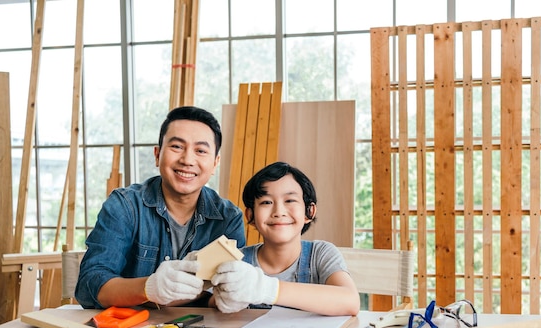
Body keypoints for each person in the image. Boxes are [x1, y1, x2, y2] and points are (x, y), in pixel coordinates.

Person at [75, 106, 246, 309]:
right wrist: (147, 288)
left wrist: (226, 299)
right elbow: (89, 286)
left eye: (200, 151)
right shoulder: (124, 206)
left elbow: (221, 291)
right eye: (177, 147)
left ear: (215, 163)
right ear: (157, 155)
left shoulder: (228, 218)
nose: (187, 160)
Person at [209, 161, 360, 316]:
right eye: (266, 202)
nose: (279, 212)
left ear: (309, 211)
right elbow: (211, 301)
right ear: (251, 215)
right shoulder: (236, 262)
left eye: (289, 201)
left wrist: (265, 288)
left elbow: (350, 302)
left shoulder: (320, 254)